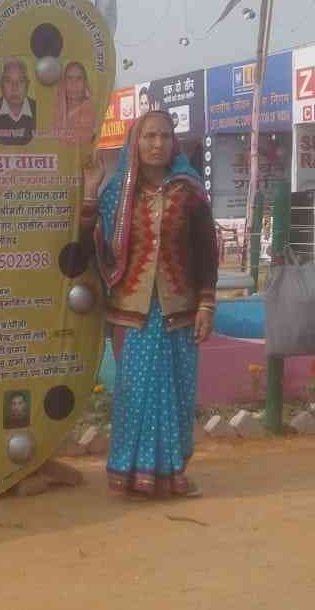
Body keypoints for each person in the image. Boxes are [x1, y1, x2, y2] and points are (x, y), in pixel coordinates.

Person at [81, 110, 218, 499]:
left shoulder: (190, 192)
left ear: (174, 142)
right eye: (149, 137)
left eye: (164, 136)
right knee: (134, 395)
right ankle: (130, 476)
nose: (157, 144)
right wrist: (90, 191)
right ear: (134, 144)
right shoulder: (117, 195)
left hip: (181, 312)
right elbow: (88, 246)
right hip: (132, 313)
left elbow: (208, 251)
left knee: (176, 394)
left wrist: (207, 305)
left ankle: (174, 476)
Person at [0, 58, 36, 146]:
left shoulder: (40, 110)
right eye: (8, 81)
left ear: (27, 85)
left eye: (21, 81)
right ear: (1, 85)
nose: (15, 88)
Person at [53, 61, 96, 145]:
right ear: (63, 83)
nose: (74, 84)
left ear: (85, 84)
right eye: (69, 78)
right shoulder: (55, 109)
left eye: (79, 79)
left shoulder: (89, 111)